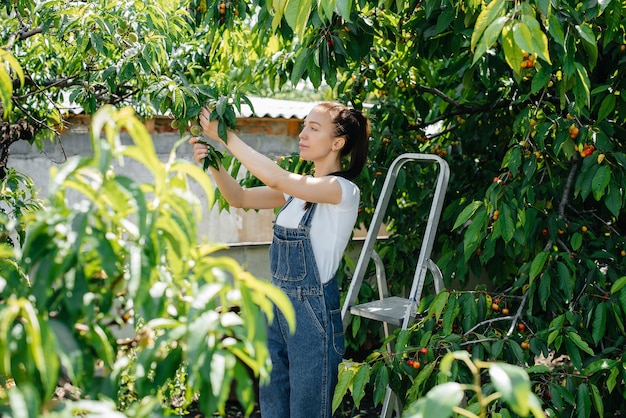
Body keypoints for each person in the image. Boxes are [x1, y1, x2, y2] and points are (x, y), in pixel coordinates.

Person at [190, 101, 370, 418]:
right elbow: (239, 198)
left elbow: (276, 177)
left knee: (306, 410)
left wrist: (226, 137)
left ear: (337, 143)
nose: (303, 134)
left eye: (314, 128)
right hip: (277, 309)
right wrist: (214, 162)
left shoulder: (341, 190)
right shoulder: (297, 191)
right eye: (304, 126)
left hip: (313, 318)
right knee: (273, 405)